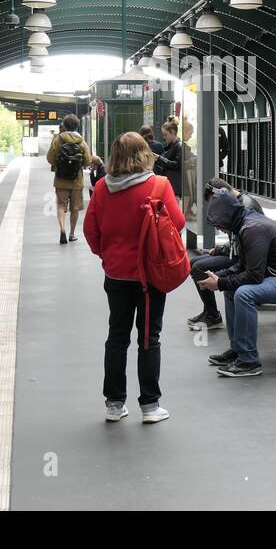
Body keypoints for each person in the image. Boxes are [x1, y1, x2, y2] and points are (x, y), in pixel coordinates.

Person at [83, 131, 184, 424]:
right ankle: (150, 406)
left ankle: (114, 404)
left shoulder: (102, 188)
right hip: (150, 275)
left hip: (116, 275)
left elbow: (91, 231)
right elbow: (176, 223)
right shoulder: (160, 185)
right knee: (149, 337)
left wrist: (108, 255)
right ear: (144, 154)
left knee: (117, 337)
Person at [197, 183, 276, 377]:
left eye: (218, 222)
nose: (218, 227)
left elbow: (253, 275)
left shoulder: (252, 229)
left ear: (227, 216)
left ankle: (249, 360)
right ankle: (238, 350)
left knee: (244, 293)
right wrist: (221, 277)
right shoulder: (246, 223)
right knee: (232, 290)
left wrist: (219, 283)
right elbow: (242, 266)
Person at [186, 178, 242, 332]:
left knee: (199, 267)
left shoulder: (243, 206)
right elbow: (236, 241)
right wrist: (220, 249)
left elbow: (243, 246)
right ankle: (209, 311)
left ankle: (213, 316)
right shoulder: (237, 201)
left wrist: (222, 250)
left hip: (242, 259)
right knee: (193, 263)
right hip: (236, 252)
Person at [46, 113, 91, 245]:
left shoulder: (58, 140)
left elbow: (49, 158)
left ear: (64, 126)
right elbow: (88, 161)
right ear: (77, 126)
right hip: (77, 180)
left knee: (61, 206)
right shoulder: (81, 141)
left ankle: (62, 229)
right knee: (75, 208)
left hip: (61, 179)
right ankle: (72, 234)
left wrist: (59, 164)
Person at [154, 120, 183, 198]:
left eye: (165, 135)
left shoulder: (179, 146)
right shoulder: (171, 146)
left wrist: (159, 159)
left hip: (174, 188)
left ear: (173, 132)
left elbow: (176, 165)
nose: (164, 137)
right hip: (171, 186)